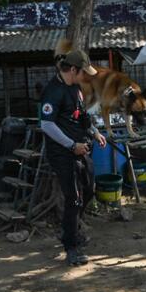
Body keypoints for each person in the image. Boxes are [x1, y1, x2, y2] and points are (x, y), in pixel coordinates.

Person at [40, 48, 107, 266]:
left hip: (81, 149)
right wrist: (71, 145)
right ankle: (71, 247)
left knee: (89, 190)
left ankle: (72, 230)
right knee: (74, 198)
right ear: (73, 69)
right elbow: (47, 124)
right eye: (83, 72)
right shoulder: (53, 91)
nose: (86, 76)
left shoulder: (75, 89)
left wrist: (95, 133)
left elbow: (82, 115)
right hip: (63, 153)